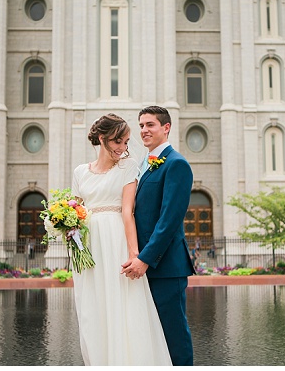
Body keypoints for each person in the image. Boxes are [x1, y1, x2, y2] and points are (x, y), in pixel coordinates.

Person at [71, 114, 171, 365]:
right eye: (119, 142)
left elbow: (128, 211)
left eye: (126, 142)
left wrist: (134, 254)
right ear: (103, 139)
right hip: (89, 247)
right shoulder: (80, 172)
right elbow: (77, 211)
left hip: (115, 239)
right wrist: (65, 227)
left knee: (122, 305)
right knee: (92, 308)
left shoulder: (128, 166)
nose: (123, 148)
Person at [120, 106, 196, 366]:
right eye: (141, 125)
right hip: (145, 265)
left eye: (150, 125)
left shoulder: (177, 164)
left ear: (166, 128)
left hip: (165, 267)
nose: (144, 130)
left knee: (174, 335)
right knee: (151, 335)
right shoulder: (144, 163)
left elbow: (169, 220)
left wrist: (145, 259)